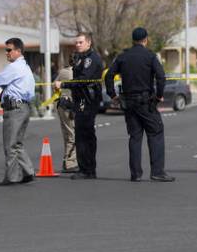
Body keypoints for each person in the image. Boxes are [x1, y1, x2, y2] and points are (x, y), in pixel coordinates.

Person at [105, 27, 174, 182]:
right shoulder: (150, 56)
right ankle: (157, 172)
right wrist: (159, 96)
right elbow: (161, 77)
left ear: (132, 40)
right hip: (146, 102)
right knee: (155, 133)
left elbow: (109, 75)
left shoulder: (123, 57)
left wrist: (113, 95)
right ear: (145, 39)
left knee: (135, 137)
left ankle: (135, 173)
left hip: (129, 102)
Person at [54, 32, 103, 180]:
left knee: (85, 134)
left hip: (88, 100)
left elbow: (84, 80)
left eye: (80, 42)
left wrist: (63, 84)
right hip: (80, 99)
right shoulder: (79, 58)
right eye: (76, 42)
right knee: (81, 134)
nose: (77, 45)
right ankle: (85, 168)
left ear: (88, 43)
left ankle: (88, 169)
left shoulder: (91, 59)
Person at [0, 38, 36, 186]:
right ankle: (28, 171)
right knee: (17, 144)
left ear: (18, 51)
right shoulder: (25, 66)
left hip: (14, 109)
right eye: (6, 50)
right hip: (23, 107)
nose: (7, 53)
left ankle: (12, 177)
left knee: (10, 144)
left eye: (9, 50)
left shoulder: (15, 67)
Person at [53, 65, 78, 173]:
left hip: (61, 104)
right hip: (70, 104)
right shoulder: (74, 73)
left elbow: (55, 85)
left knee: (67, 133)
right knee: (73, 134)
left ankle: (67, 161)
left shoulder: (63, 71)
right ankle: (70, 163)